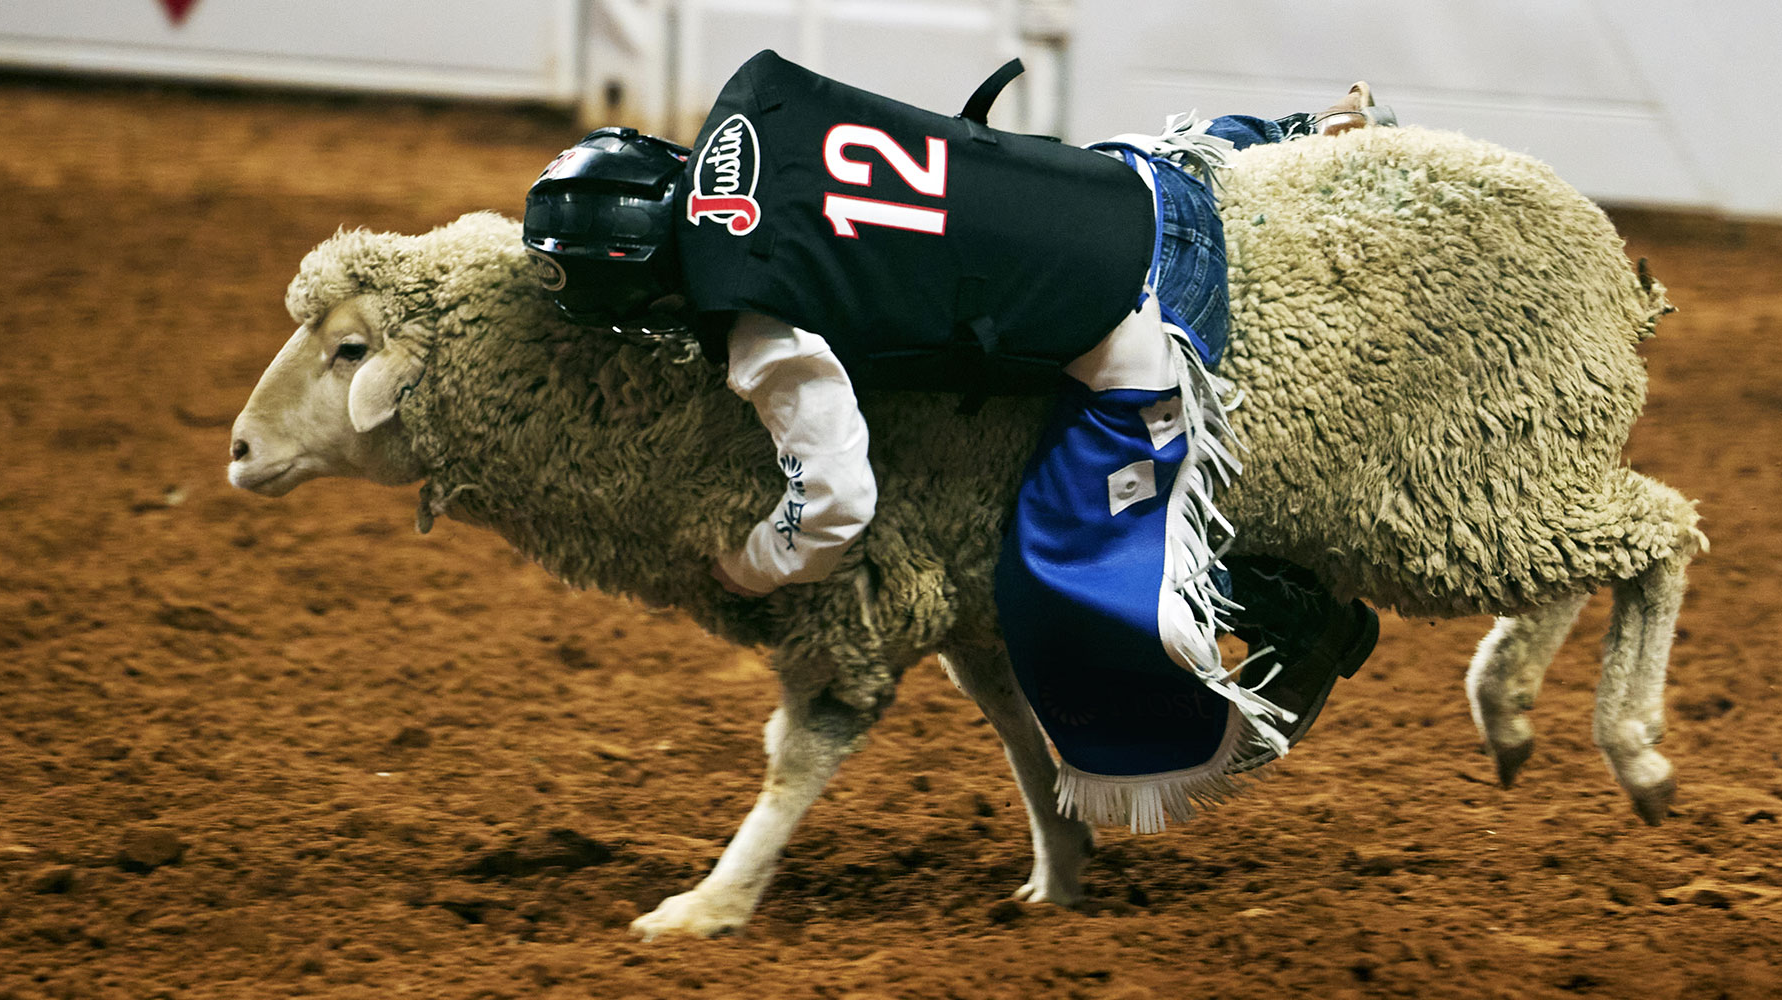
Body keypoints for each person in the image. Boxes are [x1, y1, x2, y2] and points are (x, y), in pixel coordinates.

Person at [521, 51, 1390, 824]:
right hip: (1153, 180)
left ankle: (1297, 619)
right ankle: (1300, 132)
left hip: (1156, 303)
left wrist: (747, 562)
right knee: (1060, 174)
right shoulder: (759, 104)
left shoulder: (757, 327)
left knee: (1059, 568)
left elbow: (834, 507)